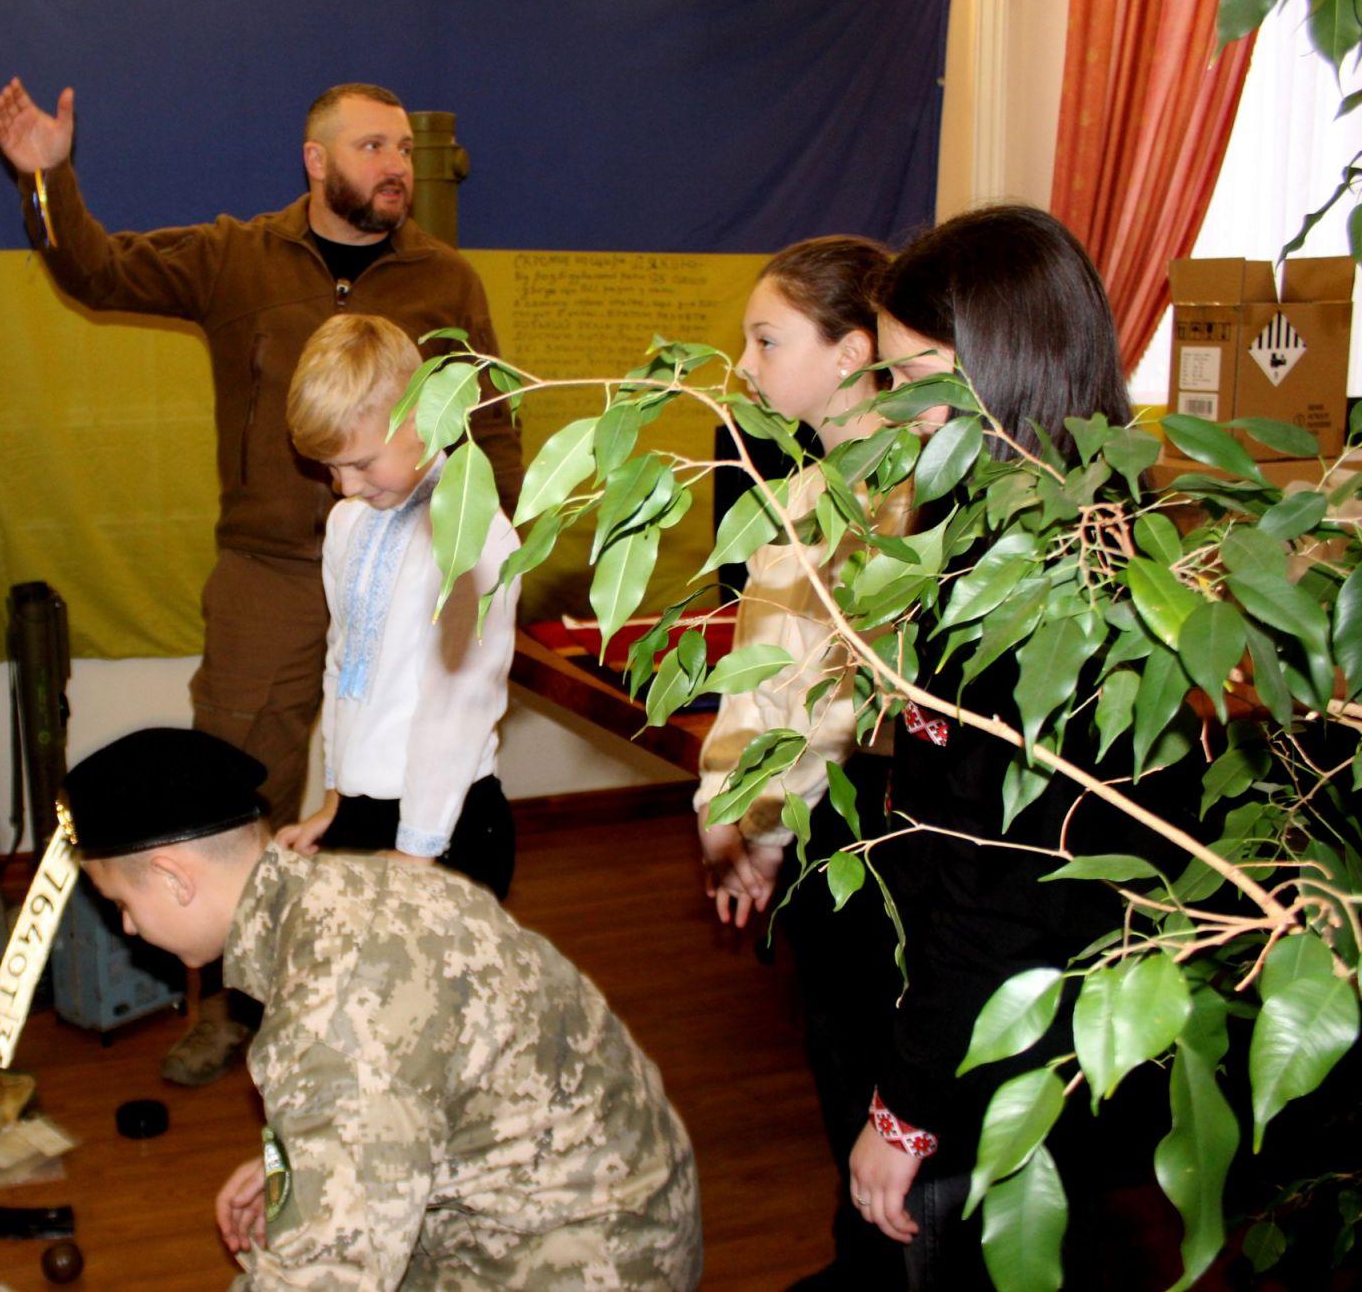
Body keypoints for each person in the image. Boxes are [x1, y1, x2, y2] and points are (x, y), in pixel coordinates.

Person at [0, 77, 523, 1085]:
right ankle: (237, 1006)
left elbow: (490, 415)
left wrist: (468, 543)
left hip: (412, 553)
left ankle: (392, 999)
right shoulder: (236, 256)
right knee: (232, 793)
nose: (395, 167)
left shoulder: (445, 279)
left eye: (403, 148)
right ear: (315, 160)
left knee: (416, 760)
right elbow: (97, 270)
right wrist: (48, 179)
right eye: (371, 147)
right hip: (276, 566)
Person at [64, 727, 702, 1289]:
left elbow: (325, 1280)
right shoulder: (349, 886)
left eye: (121, 901)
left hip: (589, 1259)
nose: (127, 926)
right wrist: (308, 1158)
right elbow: (403, 1080)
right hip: (606, 1194)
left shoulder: (331, 1021)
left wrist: (321, 1174)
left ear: (175, 877)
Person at [844, 205, 1169, 1290]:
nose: (889, 409)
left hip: (1011, 1044)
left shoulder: (1046, 583)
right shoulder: (1026, 532)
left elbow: (1001, 884)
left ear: (1004, 363)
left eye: (912, 374)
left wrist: (903, 1109)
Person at [691, 236, 911, 1289]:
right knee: (836, 1056)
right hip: (825, 833)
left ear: (850, 349)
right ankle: (857, 1258)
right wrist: (739, 817)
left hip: (893, 833)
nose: (743, 364)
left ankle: (889, 1262)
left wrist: (760, 816)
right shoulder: (809, 491)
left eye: (765, 339)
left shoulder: (912, 505)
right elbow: (766, 677)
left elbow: (833, 706)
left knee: (887, 1069)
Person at [271, 313, 519, 899]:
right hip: (366, 811)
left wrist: (415, 851)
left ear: (424, 416)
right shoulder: (347, 522)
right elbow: (342, 667)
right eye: (329, 468)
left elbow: (457, 707)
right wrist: (334, 800)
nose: (345, 486)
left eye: (360, 463)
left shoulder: (472, 532)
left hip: (446, 821)